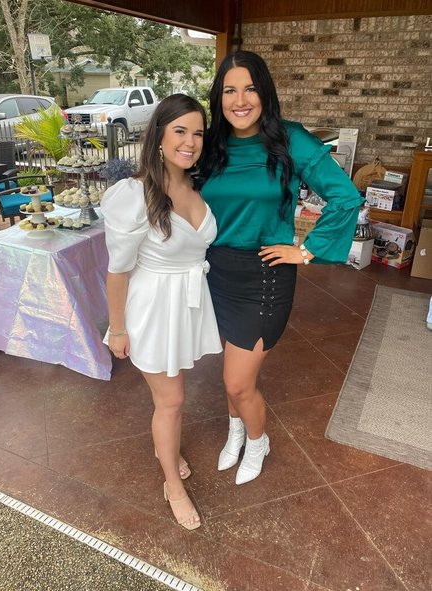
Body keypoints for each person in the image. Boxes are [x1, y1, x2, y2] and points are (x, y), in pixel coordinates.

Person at [199, 50, 364, 485]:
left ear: (265, 93)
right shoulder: (210, 143)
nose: (240, 100)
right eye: (229, 91)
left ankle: (258, 442)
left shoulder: (291, 140)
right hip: (215, 273)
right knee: (232, 369)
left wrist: (306, 251)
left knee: (238, 382)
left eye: (250, 89)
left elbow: (346, 196)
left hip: (264, 275)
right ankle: (236, 432)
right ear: (218, 97)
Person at [101, 94, 222, 530]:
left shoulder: (198, 186)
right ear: (158, 136)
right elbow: (118, 271)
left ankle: (163, 446)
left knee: (169, 398)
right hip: (153, 310)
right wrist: (117, 329)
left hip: (185, 305)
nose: (190, 142)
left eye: (198, 133)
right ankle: (173, 484)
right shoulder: (135, 194)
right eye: (180, 131)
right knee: (172, 400)